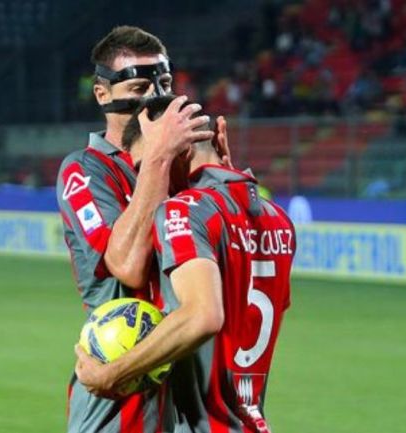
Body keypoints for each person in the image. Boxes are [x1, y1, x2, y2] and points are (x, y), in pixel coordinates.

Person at [75, 96, 296, 433]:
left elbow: (203, 315)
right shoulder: (278, 219)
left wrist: (113, 373)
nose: (143, 182)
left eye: (146, 164)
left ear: (180, 150)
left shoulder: (183, 209)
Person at [56, 25, 224, 433]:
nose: (155, 97)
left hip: (192, 389)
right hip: (123, 392)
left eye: (164, 82)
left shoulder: (184, 167)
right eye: (138, 85)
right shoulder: (84, 171)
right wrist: (159, 160)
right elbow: (128, 266)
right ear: (102, 94)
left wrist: (221, 176)